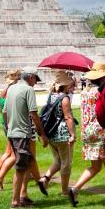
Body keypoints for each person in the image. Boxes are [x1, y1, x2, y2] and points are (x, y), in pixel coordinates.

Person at [70, 61, 105, 209]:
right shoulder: (102, 92)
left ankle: (75, 189)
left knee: (95, 166)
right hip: (102, 130)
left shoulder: (84, 92)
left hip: (88, 131)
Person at [4, 68, 48, 208]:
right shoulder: (28, 90)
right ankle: (15, 202)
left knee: (29, 161)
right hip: (22, 133)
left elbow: (4, 112)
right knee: (21, 168)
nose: (35, 82)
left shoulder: (11, 89)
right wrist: (42, 134)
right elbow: (34, 114)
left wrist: (9, 128)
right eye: (35, 79)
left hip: (12, 132)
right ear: (30, 77)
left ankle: (25, 193)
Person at [39, 71, 77, 199]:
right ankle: (65, 190)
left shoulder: (51, 95)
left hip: (51, 133)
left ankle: (45, 179)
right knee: (66, 163)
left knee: (57, 161)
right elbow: (67, 117)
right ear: (66, 85)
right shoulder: (64, 98)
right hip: (62, 133)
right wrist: (72, 134)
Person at [0, 69, 23, 191]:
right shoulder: (11, 92)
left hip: (6, 123)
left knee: (8, 151)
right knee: (13, 154)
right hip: (11, 124)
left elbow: (0, 109)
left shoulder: (4, 92)